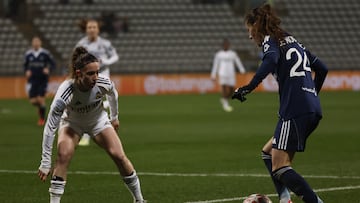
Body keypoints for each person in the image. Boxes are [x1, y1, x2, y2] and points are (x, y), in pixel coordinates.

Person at [232, 4, 328, 203]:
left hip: (294, 109)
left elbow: (270, 60)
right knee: (268, 153)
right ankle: (285, 199)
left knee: (280, 166)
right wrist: (312, 94)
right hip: (311, 107)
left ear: (256, 26)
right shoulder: (291, 40)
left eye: (249, 31)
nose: (250, 37)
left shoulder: (270, 40)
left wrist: (247, 87)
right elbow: (322, 68)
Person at [37, 47, 146, 203]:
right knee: (63, 156)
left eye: (97, 72)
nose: (95, 77)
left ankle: (139, 200)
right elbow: (50, 127)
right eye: (90, 73)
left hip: (98, 121)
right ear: (79, 73)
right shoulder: (65, 92)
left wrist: (114, 117)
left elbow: (113, 95)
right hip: (72, 124)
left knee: (119, 156)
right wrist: (45, 162)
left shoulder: (103, 82)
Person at [75, 18, 119, 146]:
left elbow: (115, 56)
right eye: (89, 27)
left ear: (98, 29)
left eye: (94, 27)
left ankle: (95, 131)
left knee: (95, 101)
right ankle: (88, 135)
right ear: (86, 29)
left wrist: (106, 61)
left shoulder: (105, 43)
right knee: (91, 102)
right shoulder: (81, 44)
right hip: (87, 77)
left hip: (103, 74)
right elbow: (76, 60)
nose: (92, 29)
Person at [24, 36, 56, 126]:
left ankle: (42, 119)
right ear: (32, 43)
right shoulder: (28, 54)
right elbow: (25, 65)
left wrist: (48, 69)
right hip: (33, 80)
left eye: (37, 41)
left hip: (43, 80)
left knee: (41, 99)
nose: (36, 43)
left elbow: (53, 64)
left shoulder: (45, 53)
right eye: (34, 42)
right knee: (33, 101)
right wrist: (27, 71)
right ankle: (41, 108)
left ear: (40, 43)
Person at [211, 38, 246, 112]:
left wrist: (242, 69)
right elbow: (215, 65)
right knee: (223, 87)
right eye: (225, 45)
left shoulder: (232, 54)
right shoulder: (219, 54)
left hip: (231, 73)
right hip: (222, 73)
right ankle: (225, 103)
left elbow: (237, 61)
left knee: (231, 90)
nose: (226, 46)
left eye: (227, 45)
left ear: (229, 45)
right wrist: (213, 75)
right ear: (223, 46)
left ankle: (224, 99)